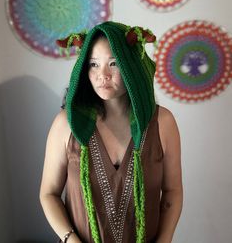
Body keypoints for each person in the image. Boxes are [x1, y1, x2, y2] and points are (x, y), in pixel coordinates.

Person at [40, 21, 183, 243]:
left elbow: (172, 192)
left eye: (114, 63)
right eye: (93, 64)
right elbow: (48, 194)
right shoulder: (65, 124)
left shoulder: (163, 123)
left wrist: (164, 240)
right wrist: (70, 240)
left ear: (132, 67)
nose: (102, 75)